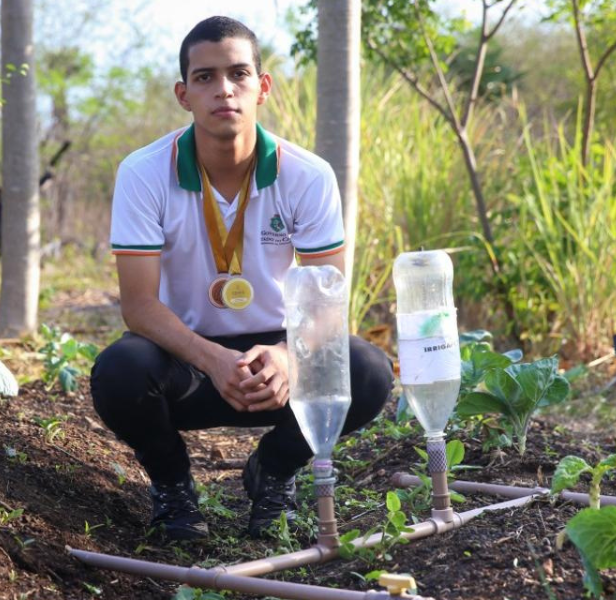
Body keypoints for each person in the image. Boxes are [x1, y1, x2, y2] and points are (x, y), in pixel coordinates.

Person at [90, 16, 393, 541]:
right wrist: (212, 359)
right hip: (185, 361)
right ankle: (174, 488)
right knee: (119, 370)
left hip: (276, 357)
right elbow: (138, 306)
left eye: (238, 74)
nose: (223, 89)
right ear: (184, 94)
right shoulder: (143, 172)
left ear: (263, 87)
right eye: (205, 77)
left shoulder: (307, 174)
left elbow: (326, 298)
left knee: (366, 370)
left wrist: (285, 354)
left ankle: (273, 472)